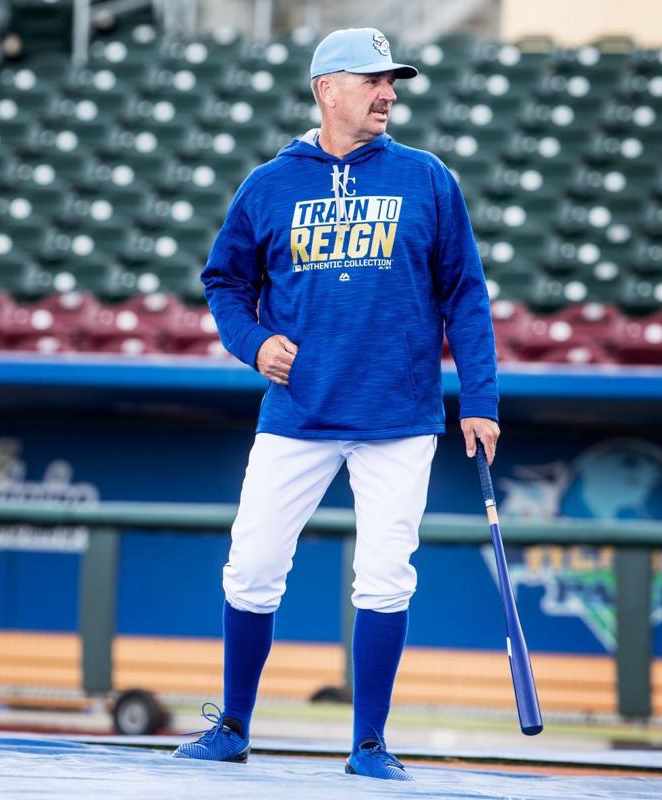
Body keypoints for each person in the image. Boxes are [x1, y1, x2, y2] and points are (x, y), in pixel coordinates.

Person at [172, 27, 501, 782]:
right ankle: (231, 724)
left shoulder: (428, 178)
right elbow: (223, 282)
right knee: (251, 567)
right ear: (328, 89)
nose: (389, 94)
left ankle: (369, 743)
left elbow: (465, 294)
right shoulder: (268, 183)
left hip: (398, 415)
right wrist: (253, 343)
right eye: (373, 81)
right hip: (299, 412)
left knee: (386, 577)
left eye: (393, 83)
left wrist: (479, 398)